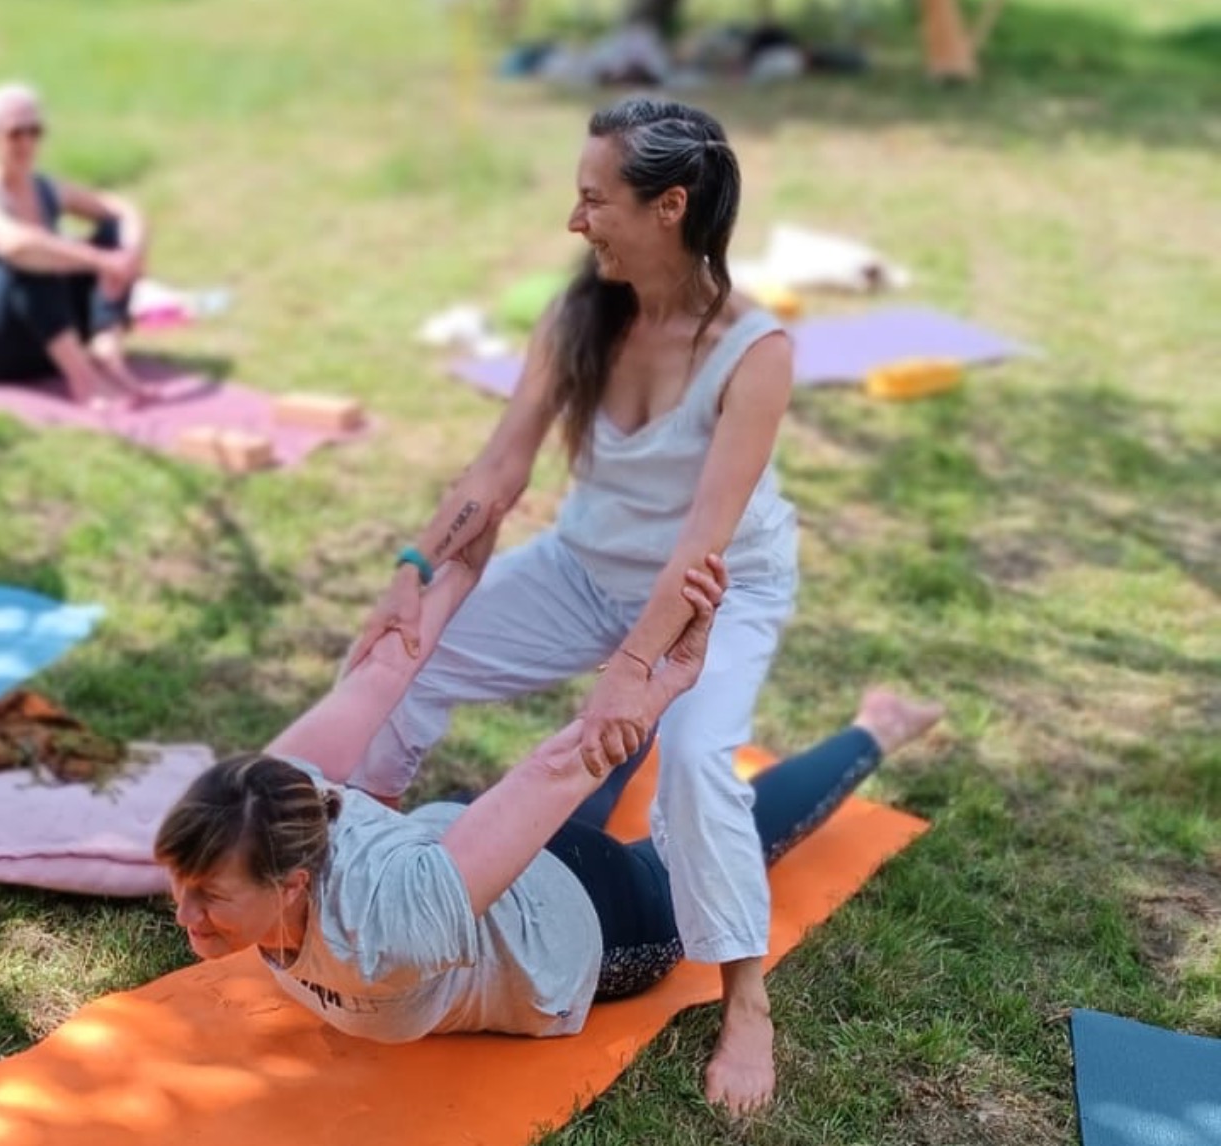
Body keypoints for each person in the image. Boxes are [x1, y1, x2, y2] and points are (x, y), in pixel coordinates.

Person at [346, 96, 803, 1112]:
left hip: (714, 594)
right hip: (583, 567)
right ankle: (348, 857)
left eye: (594, 200)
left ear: (670, 207)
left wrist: (628, 684)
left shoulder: (754, 353)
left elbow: (701, 548)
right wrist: (411, 576)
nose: (574, 222)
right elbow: (501, 466)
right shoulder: (579, 312)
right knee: (397, 657)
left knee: (689, 760)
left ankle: (745, 1002)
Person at [156, 526, 940, 1100]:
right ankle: (650, 696)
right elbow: (382, 669)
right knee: (564, 794)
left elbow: (569, 761)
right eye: (182, 886)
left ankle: (880, 726)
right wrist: (446, 558)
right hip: (458, 843)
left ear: (294, 884)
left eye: (209, 897)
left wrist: (657, 677)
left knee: (712, 845)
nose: (184, 915)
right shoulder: (266, 794)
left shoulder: (386, 928)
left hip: (583, 918)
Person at [0, 82, 154, 409]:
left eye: (35, 132)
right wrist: (99, 260)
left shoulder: (47, 188)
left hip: (45, 344)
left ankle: (106, 347)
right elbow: (17, 244)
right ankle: (84, 382)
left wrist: (132, 253)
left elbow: (120, 210)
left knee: (112, 234)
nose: (26, 142)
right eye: (15, 133)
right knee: (32, 256)